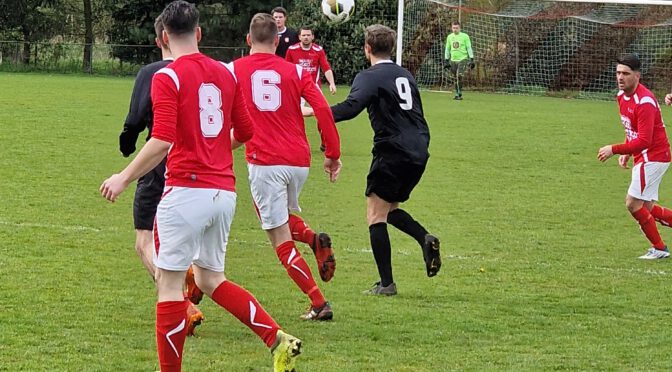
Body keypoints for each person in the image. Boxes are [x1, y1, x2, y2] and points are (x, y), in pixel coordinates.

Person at [101, 2, 302, 371]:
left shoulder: (168, 77)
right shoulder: (226, 75)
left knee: (169, 287)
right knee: (210, 279)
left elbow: (161, 140)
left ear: (163, 37)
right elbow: (245, 132)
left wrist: (123, 177)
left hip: (184, 193)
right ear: (199, 33)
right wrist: (213, 149)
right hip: (223, 193)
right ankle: (277, 338)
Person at [310, 24, 441, 295]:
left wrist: (316, 110)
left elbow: (350, 108)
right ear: (391, 48)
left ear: (367, 49)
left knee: (374, 215)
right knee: (388, 209)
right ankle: (424, 238)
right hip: (419, 149)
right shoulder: (405, 74)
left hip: (392, 150)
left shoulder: (369, 76)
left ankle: (386, 284)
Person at [232, 13, 342, 321]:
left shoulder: (234, 70)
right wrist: (332, 153)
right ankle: (311, 238)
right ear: (278, 41)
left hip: (265, 162)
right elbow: (321, 107)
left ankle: (318, 303)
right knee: (272, 216)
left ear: (248, 40)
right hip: (299, 162)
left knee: (278, 237)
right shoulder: (295, 71)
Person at [118, 13, 204, 337]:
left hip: (159, 162)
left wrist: (127, 146)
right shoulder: (204, 70)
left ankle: (181, 299)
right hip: (199, 164)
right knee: (176, 233)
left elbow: (135, 119)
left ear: (160, 40)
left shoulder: (152, 73)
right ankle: (191, 272)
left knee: (143, 241)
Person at [597, 53, 671, 260]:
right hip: (645, 156)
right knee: (646, 208)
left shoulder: (645, 101)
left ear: (637, 76)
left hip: (654, 156)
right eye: (618, 73)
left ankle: (659, 249)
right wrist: (628, 152)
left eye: (626, 74)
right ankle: (659, 247)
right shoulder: (621, 96)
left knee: (632, 203)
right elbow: (632, 129)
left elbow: (645, 141)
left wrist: (615, 149)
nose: (620, 77)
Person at [285, 25, 337, 96]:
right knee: (296, 107)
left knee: (321, 107)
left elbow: (326, 68)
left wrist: (332, 83)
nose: (306, 37)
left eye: (308, 35)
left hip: (314, 85)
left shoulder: (318, 50)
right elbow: (287, 69)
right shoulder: (292, 50)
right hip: (297, 86)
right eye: (303, 35)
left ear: (312, 37)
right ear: (299, 37)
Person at [444, 21, 474, 100]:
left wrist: (471, 58)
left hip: (463, 59)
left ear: (460, 28)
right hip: (453, 60)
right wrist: (446, 60)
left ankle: (459, 92)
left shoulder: (465, 36)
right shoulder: (450, 37)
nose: (455, 29)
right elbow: (447, 49)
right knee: (455, 77)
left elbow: (469, 47)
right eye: (453, 28)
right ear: (451, 28)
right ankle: (457, 93)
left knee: (459, 75)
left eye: (456, 28)